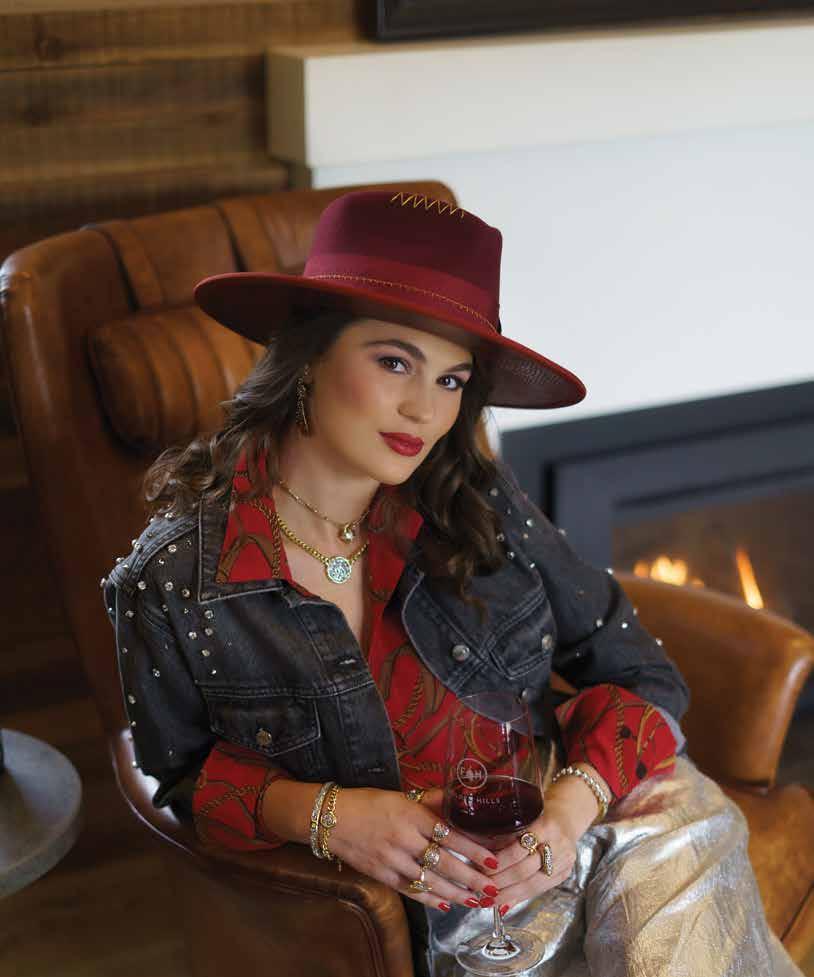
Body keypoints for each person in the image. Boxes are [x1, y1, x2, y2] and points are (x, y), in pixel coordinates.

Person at [102, 189, 801, 977]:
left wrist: (568, 810)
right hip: (473, 911)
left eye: (451, 379)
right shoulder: (177, 579)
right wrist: (329, 815)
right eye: (395, 361)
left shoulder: (473, 502)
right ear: (308, 354)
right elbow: (178, 775)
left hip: (613, 819)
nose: (424, 411)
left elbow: (643, 673)